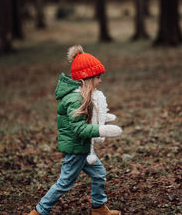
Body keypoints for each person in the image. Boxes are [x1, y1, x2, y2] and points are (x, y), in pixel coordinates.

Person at [28, 45, 122, 215]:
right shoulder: (75, 99)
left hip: (82, 147)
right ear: (87, 78)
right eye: (98, 77)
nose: (100, 81)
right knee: (64, 183)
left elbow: (85, 118)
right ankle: (39, 211)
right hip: (76, 149)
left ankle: (99, 208)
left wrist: (103, 118)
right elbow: (79, 128)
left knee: (99, 173)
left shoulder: (82, 96)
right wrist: (102, 130)